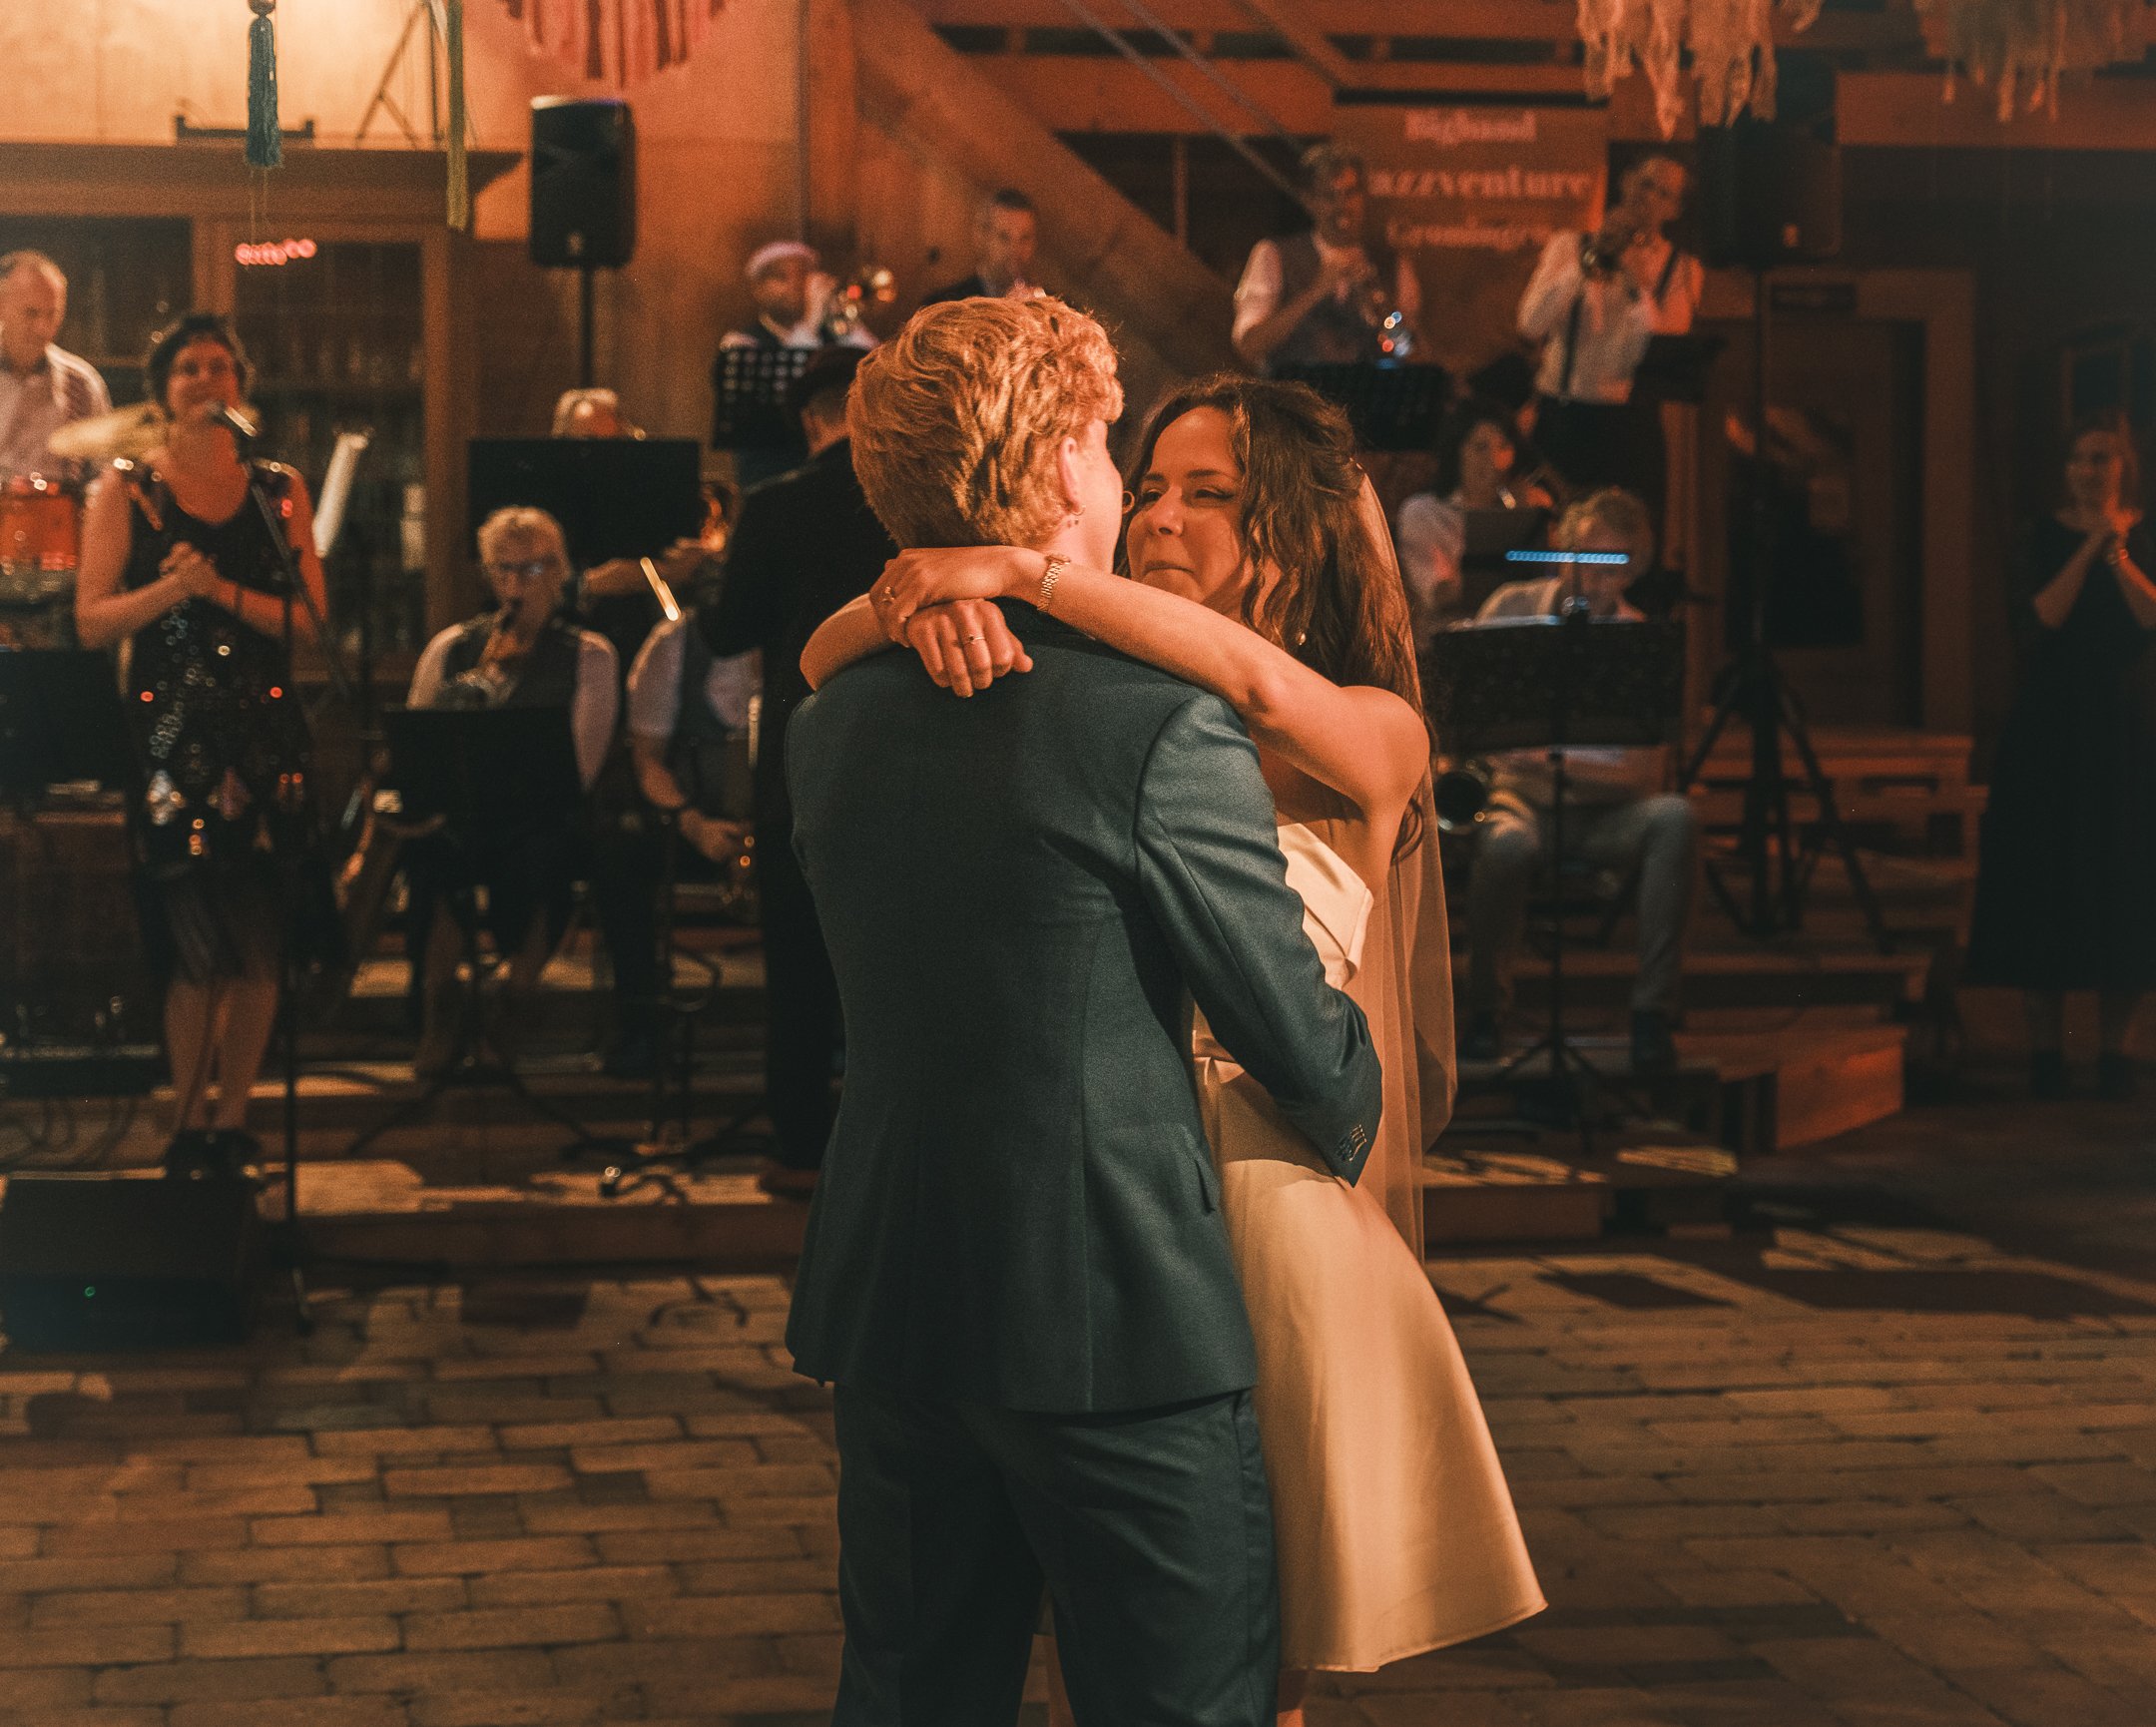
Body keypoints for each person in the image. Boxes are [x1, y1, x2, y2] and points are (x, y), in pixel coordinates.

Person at [813, 362, 1544, 1722]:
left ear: (1299, 526)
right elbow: (815, 666)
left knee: (1235, 1658)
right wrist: (925, 600)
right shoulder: (1097, 695)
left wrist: (1014, 571)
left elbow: (1261, 692)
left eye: (1213, 494)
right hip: (1098, 1197)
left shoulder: (1364, 724)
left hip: (1259, 1200)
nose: (1161, 517)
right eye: (1148, 484)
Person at [74, 313, 324, 1177]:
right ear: (162, 388)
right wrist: (169, 593)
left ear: (241, 387)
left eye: (220, 367)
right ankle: (189, 1125)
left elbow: (309, 621)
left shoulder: (278, 489)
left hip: (263, 729)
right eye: (188, 368)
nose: (205, 380)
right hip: (171, 735)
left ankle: (235, 1116)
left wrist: (216, 589)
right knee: (192, 937)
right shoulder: (128, 489)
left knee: (256, 932)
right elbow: (91, 619)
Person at [695, 344, 893, 1197]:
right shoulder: (910, 502)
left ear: (813, 420)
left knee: (799, 969)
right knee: (892, 971)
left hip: (801, 762)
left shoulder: (775, 507)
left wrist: (706, 575)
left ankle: (801, 1146)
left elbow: (727, 631)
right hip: (901, 756)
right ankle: (887, 1147)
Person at [1457, 488, 1696, 1074]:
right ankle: (1486, 1012)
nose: (1593, 575)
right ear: (1562, 552)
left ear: (1634, 570)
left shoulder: (1637, 642)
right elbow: (1466, 724)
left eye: (1612, 564)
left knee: (1676, 818)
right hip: (1520, 802)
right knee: (1506, 843)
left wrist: (1543, 756)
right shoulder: (1513, 607)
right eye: (1584, 556)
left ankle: (1650, 1016)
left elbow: (1643, 774)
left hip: (1603, 812)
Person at [1967, 419, 2156, 1100]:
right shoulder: (2038, 535)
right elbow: (2044, 613)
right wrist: (2090, 547)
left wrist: (2119, 551)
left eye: (2099, 458)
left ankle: (2115, 1053)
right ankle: (2046, 1053)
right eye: (2077, 458)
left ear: (2122, 466)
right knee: (2043, 880)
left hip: (2122, 726)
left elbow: (2148, 616)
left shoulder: (2143, 536)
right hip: (2050, 722)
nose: (2086, 469)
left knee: (2123, 878)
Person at [404, 507, 619, 1076]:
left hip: (539, 816)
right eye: (504, 569)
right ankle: (440, 1004)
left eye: (532, 569)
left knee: (543, 851)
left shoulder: (589, 655)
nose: (516, 584)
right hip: (463, 813)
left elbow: (580, 767)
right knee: (436, 851)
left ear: (559, 571)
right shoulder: (452, 647)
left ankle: (517, 998)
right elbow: (417, 744)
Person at [1516, 156, 1702, 519]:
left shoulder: (1683, 268)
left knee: (1627, 548)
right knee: (1550, 539)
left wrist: (1637, 287)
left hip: (1630, 426)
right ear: (1627, 182)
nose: (1649, 198)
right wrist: (1587, 262)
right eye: (1646, 184)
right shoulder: (1567, 246)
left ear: (1674, 210)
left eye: (1663, 194)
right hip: (1562, 416)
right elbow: (1529, 323)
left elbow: (1660, 347)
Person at [1233, 144, 1422, 375]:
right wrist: (1316, 291)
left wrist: (1381, 307)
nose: (1342, 207)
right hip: (1296, 401)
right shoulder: (1273, 254)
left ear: (1363, 197)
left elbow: (1407, 351)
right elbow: (1249, 347)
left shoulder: (1388, 262)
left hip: (1366, 401)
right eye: (1329, 197)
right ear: (1309, 200)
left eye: (1350, 194)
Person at [1394, 399, 1553, 645]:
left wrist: (1536, 521)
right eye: (1480, 447)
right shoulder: (1424, 512)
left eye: (1503, 447)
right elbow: (1436, 596)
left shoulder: (1526, 508)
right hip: (1450, 639)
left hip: (1516, 636)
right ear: (1457, 452)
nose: (1494, 461)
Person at [0, 251, 111, 478]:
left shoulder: (81, 383)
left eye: (52, 314)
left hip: (58, 511)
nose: (43, 328)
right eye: (31, 313)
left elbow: (103, 471)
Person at [920, 188, 1043, 305]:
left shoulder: (1048, 307)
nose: (1015, 249)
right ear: (982, 237)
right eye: (1004, 237)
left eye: (1025, 238)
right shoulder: (945, 305)